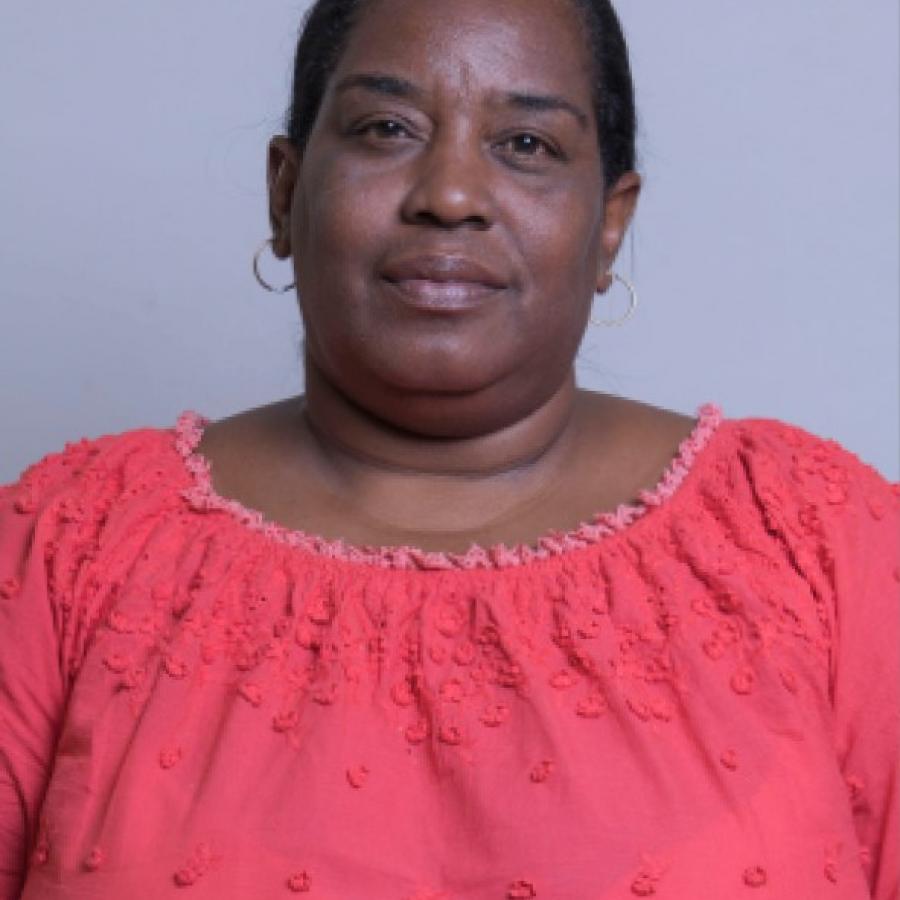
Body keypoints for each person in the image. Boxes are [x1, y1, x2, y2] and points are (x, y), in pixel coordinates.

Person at [0, 0, 896, 897]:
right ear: (284, 189)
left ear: (610, 222)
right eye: (386, 128)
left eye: (527, 145)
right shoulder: (68, 547)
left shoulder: (814, 538)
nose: (450, 196)